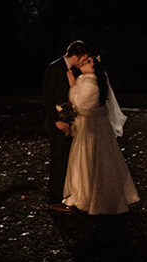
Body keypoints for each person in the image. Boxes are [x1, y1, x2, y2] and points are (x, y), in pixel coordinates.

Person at [63, 54, 139, 215]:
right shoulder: (87, 81)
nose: (84, 63)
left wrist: (73, 86)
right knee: (87, 161)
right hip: (90, 127)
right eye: (84, 61)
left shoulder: (91, 84)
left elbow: (82, 106)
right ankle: (85, 194)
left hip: (92, 129)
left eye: (88, 62)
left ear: (94, 67)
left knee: (93, 160)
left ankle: (95, 198)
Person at [41, 41, 91, 213]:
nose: (82, 62)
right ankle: (53, 199)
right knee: (58, 159)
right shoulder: (54, 68)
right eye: (82, 59)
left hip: (68, 120)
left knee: (65, 159)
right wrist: (56, 121)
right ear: (75, 56)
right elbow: (48, 97)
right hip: (57, 123)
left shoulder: (73, 70)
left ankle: (62, 195)